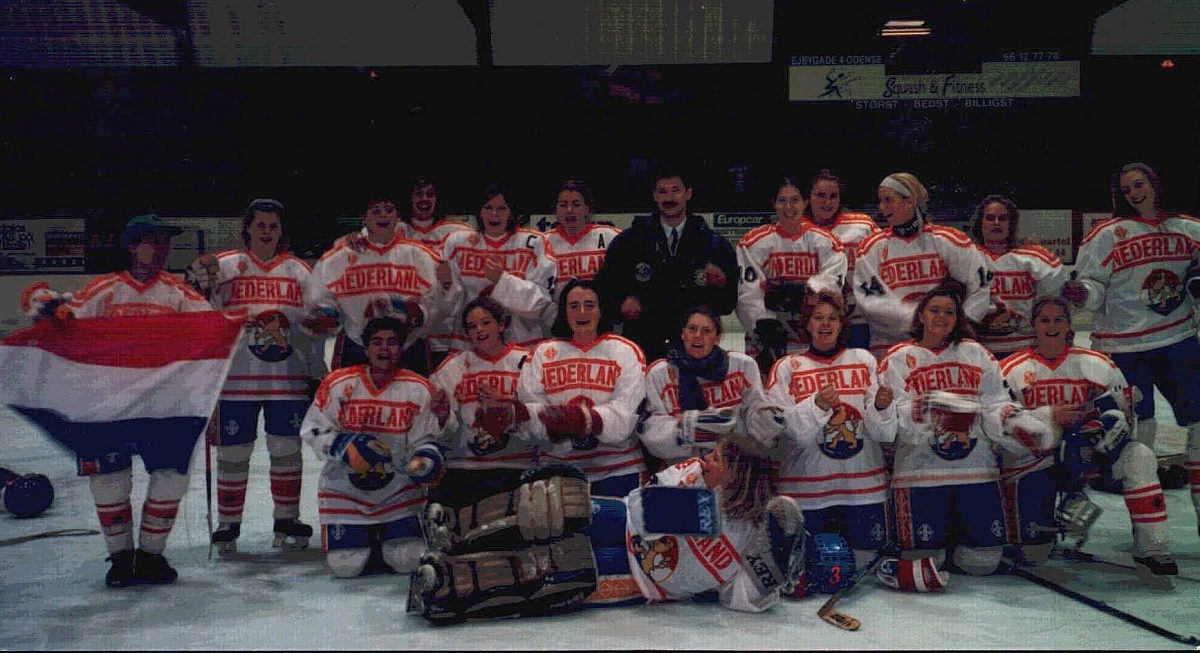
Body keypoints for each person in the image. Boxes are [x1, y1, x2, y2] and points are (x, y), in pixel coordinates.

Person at [408, 433, 807, 623]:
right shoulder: (693, 475)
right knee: (560, 502)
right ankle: (454, 528)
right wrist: (679, 511)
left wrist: (769, 573)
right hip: (624, 523)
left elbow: (738, 598)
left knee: (554, 572)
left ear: (739, 474)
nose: (704, 460)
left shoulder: (753, 532)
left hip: (641, 579)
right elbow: (644, 500)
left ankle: (447, 584)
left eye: (716, 458)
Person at [60, 214, 212, 587]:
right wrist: (48, 306)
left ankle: (150, 555)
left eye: (164, 241)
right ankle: (120, 557)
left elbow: (211, 331)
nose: (160, 248)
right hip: (109, 405)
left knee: (169, 479)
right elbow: (65, 320)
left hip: (162, 406)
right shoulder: (104, 289)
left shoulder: (179, 293)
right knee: (109, 480)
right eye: (151, 240)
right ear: (131, 246)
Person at [876, 280, 1052, 576]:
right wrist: (931, 411)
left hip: (976, 472)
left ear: (958, 319)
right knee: (925, 563)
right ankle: (941, 540)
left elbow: (995, 401)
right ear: (921, 315)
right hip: (920, 475)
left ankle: (957, 538)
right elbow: (891, 422)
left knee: (982, 564)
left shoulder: (976, 353)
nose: (941, 318)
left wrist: (1012, 420)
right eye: (934, 310)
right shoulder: (896, 358)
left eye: (949, 312)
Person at [998, 297, 1177, 582]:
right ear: (1034, 325)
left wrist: (1094, 440)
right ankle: (1037, 522)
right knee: (1033, 555)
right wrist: (1049, 416)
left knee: (1139, 455)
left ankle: (1152, 548)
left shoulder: (1098, 364)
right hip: (1036, 461)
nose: (1052, 326)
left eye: (1059, 319)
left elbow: (1124, 418)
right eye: (1045, 320)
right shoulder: (1011, 369)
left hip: (1092, 457)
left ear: (1069, 324)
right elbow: (1001, 425)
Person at [184, 199, 323, 555]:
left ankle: (286, 519)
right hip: (236, 379)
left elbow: (317, 318)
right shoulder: (226, 265)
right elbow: (199, 308)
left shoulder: (297, 270)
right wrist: (196, 279)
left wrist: (317, 358)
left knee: (286, 450)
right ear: (248, 228)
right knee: (233, 452)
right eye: (260, 225)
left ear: (281, 230)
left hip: (286, 379)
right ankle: (229, 525)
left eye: (273, 226)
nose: (266, 231)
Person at [1065, 162, 1198, 510]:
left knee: (1197, 418)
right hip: (1124, 345)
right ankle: (1143, 486)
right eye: (1126, 190)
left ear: (1156, 185)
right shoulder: (1107, 234)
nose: (1134, 194)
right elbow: (1092, 284)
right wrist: (1082, 294)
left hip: (1178, 338)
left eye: (1139, 185)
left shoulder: (1188, 228)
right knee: (1142, 421)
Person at [299, 316, 445, 577]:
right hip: (345, 493)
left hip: (398, 494)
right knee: (345, 566)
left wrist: (423, 460)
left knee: (408, 561)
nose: (384, 349)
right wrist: (345, 446)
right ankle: (371, 538)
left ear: (401, 349)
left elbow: (425, 438)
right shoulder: (338, 384)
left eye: (392, 343)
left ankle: (382, 537)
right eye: (377, 343)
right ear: (366, 349)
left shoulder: (418, 387)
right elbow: (312, 429)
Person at [765, 290, 896, 570]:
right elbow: (787, 431)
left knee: (866, 565)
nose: (826, 324)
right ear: (807, 324)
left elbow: (884, 433)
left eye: (833, 318)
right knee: (802, 567)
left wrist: (883, 408)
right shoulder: (788, 367)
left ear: (842, 324)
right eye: (818, 317)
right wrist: (817, 405)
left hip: (863, 489)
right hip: (807, 489)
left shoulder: (863, 359)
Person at [593, 168, 738, 362]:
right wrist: (622, 303)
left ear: (688, 193)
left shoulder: (714, 245)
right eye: (662, 191)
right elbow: (605, 288)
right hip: (643, 343)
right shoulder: (630, 241)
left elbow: (728, 303)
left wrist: (721, 285)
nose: (669, 198)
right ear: (654, 196)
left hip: (694, 346)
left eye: (675, 190)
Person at [304, 196, 461, 375]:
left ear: (398, 216)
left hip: (408, 347)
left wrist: (424, 310)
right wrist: (323, 316)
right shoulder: (337, 257)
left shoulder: (422, 255)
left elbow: (447, 303)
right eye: (376, 211)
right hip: (357, 346)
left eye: (389, 210)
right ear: (364, 217)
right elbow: (319, 304)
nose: (383, 216)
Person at [853, 172, 990, 358]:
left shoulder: (950, 240)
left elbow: (979, 287)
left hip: (945, 344)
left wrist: (955, 325)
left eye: (888, 200)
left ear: (909, 201)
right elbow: (871, 303)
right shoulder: (871, 247)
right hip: (891, 346)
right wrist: (923, 323)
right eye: (881, 201)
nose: (881, 207)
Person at [640, 305, 785, 466]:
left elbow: (755, 409)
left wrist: (765, 421)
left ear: (717, 338)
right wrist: (690, 428)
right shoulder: (659, 373)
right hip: (682, 471)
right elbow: (650, 431)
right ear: (682, 333)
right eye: (692, 329)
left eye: (706, 331)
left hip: (733, 469)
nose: (697, 336)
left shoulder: (742, 365)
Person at [427, 297, 538, 506]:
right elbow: (440, 433)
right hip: (465, 470)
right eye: (472, 326)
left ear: (502, 325)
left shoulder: (528, 361)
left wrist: (506, 405)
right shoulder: (452, 368)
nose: (479, 330)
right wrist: (442, 416)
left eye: (486, 322)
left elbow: (541, 421)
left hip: (517, 467)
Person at [735, 175, 847, 374]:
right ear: (774, 204)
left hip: (809, 342)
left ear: (805, 203)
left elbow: (830, 288)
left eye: (794, 200)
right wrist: (762, 324)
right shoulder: (753, 242)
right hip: (765, 343)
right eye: (782, 200)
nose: (789, 207)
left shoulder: (826, 242)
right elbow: (747, 293)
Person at [441, 182, 558, 350]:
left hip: (521, 346)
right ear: (479, 212)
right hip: (468, 347)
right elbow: (449, 307)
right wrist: (446, 285)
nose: (494, 214)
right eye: (488, 208)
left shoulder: (534, 243)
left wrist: (502, 280)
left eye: (502, 208)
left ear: (512, 212)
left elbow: (541, 303)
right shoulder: (457, 243)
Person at [968, 194, 1068, 360]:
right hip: (981, 349)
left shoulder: (1035, 257)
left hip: (1027, 347)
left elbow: (1057, 302)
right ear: (980, 222)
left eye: (1003, 218)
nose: (996, 223)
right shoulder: (966, 256)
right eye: (990, 218)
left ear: (1012, 223)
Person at [398, 177, 474, 369]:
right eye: (418, 194)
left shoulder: (458, 232)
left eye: (430, 194)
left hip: (447, 335)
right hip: (407, 334)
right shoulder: (396, 230)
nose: (424, 199)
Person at [805, 169, 881, 349]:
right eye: (821, 195)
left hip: (858, 320)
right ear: (808, 197)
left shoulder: (862, 226)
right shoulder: (798, 231)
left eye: (834, 196)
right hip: (816, 323)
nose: (828, 202)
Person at [543, 179, 622, 329]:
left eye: (576, 204)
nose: (570, 210)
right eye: (563, 205)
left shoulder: (612, 237)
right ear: (555, 209)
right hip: (559, 324)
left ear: (587, 208)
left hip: (604, 322)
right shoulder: (542, 243)